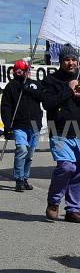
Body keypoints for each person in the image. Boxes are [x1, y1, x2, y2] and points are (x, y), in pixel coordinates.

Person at [40, 44, 80, 223]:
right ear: (60, 61)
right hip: (60, 130)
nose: (70, 63)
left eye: (73, 59)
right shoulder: (51, 80)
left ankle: (73, 210)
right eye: (66, 59)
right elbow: (48, 103)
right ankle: (54, 202)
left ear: (78, 61)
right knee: (66, 167)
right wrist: (68, 89)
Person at [1, 60, 42, 192]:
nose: (19, 72)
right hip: (19, 125)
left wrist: (29, 90)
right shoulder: (11, 86)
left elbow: (42, 96)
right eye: (17, 70)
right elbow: (6, 107)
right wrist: (8, 126)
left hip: (35, 124)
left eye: (22, 70)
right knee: (22, 149)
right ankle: (18, 179)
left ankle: (25, 178)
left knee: (29, 154)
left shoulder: (34, 84)